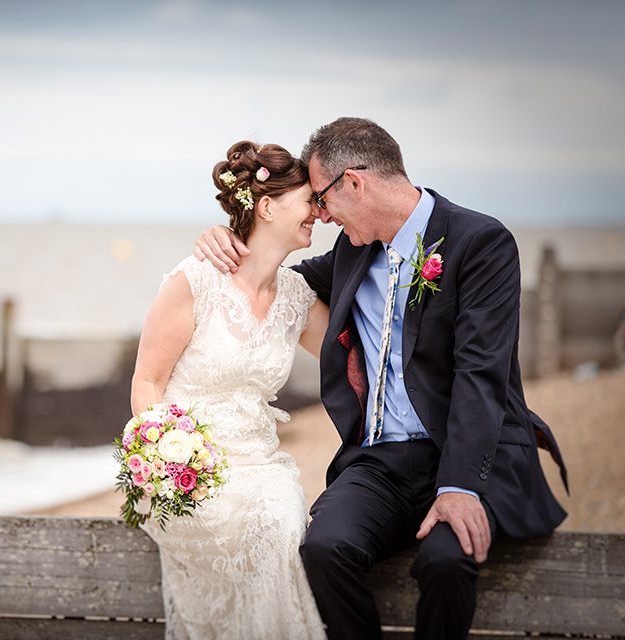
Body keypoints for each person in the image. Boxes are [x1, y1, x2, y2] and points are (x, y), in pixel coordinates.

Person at [194, 118, 568, 640]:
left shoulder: (480, 243)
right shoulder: (352, 250)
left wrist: (459, 487)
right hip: (381, 463)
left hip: (469, 452)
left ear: (354, 182)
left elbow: (480, 375)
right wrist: (229, 238)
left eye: (322, 199)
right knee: (323, 550)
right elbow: (269, 283)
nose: (320, 216)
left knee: (444, 561)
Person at [132, 141, 329, 639]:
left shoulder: (296, 297)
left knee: (282, 517)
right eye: (309, 200)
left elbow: (357, 355)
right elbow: (147, 381)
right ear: (266, 207)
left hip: (262, 466)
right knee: (258, 529)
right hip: (189, 472)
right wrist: (165, 465)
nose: (319, 213)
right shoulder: (195, 280)